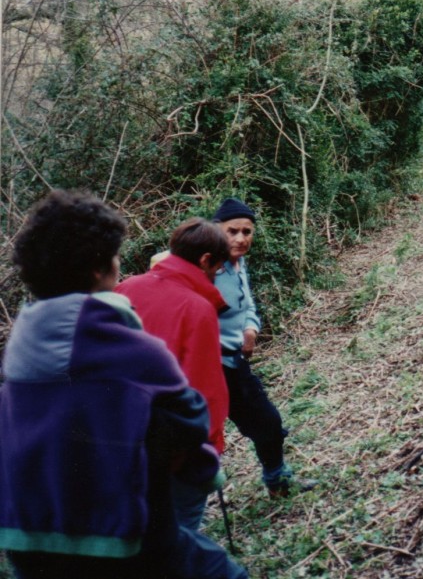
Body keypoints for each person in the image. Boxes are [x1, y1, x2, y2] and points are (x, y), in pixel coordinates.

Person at [0, 190, 247, 579]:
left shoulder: (19, 353)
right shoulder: (128, 347)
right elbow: (187, 420)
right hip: (114, 534)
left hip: (25, 539)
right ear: (101, 268)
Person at [116, 218, 232, 531]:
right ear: (206, 260)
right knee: (180, 535)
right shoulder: (197, 307)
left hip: (122, 440)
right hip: (176, 450)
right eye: (218, 269)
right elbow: (204, 390)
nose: (216, 277)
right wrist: (209, 451)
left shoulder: (125, 288)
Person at [212, 197, 315, 497]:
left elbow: (248, 304)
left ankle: (278, 482)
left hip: (234, 363)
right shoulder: (206, 267)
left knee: (268, 423)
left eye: (247, 231)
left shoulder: (237, 263)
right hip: (205, 367)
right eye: (232, 231)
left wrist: (250, 328)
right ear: (217, 230)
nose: (241, 238)